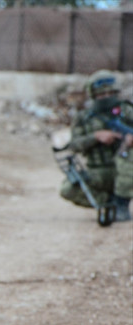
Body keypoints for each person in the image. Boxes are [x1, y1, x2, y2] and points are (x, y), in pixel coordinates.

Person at [61, 70, 132, 222]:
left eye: (110, 94)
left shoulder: (127, 111)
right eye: (101, 95)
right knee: (67, 189)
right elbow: (74, 145)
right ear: (93, 96)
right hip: (98, 172)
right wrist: (95, 137)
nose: (106, 98)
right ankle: (108, 202)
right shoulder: (84, 118)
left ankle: (122, 205)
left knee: (126, 164)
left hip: (126, 169)